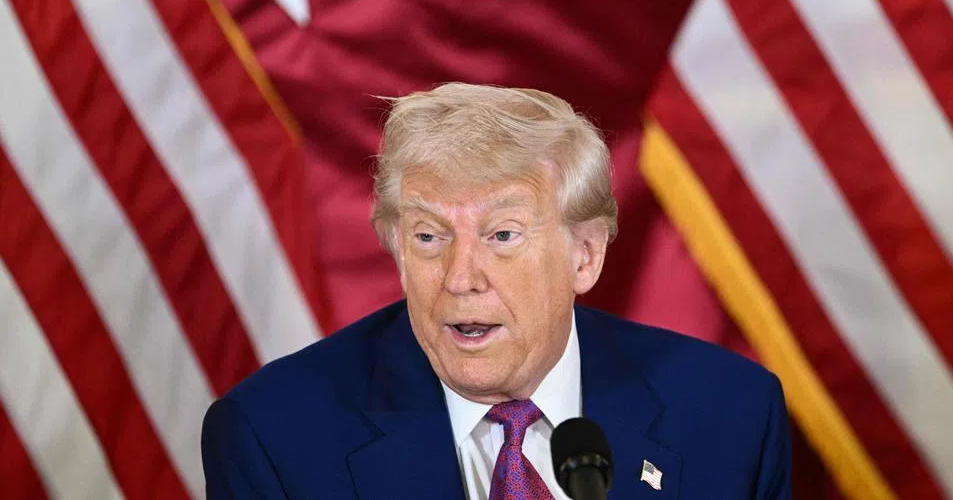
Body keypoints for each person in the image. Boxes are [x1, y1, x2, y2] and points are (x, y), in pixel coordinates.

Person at [201, 83, 792, 499]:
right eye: (429, 236)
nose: (460, 278)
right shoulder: (272, 437)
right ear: (398, 250)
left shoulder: (730, 414)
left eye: (502, 235)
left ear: (585, 255)